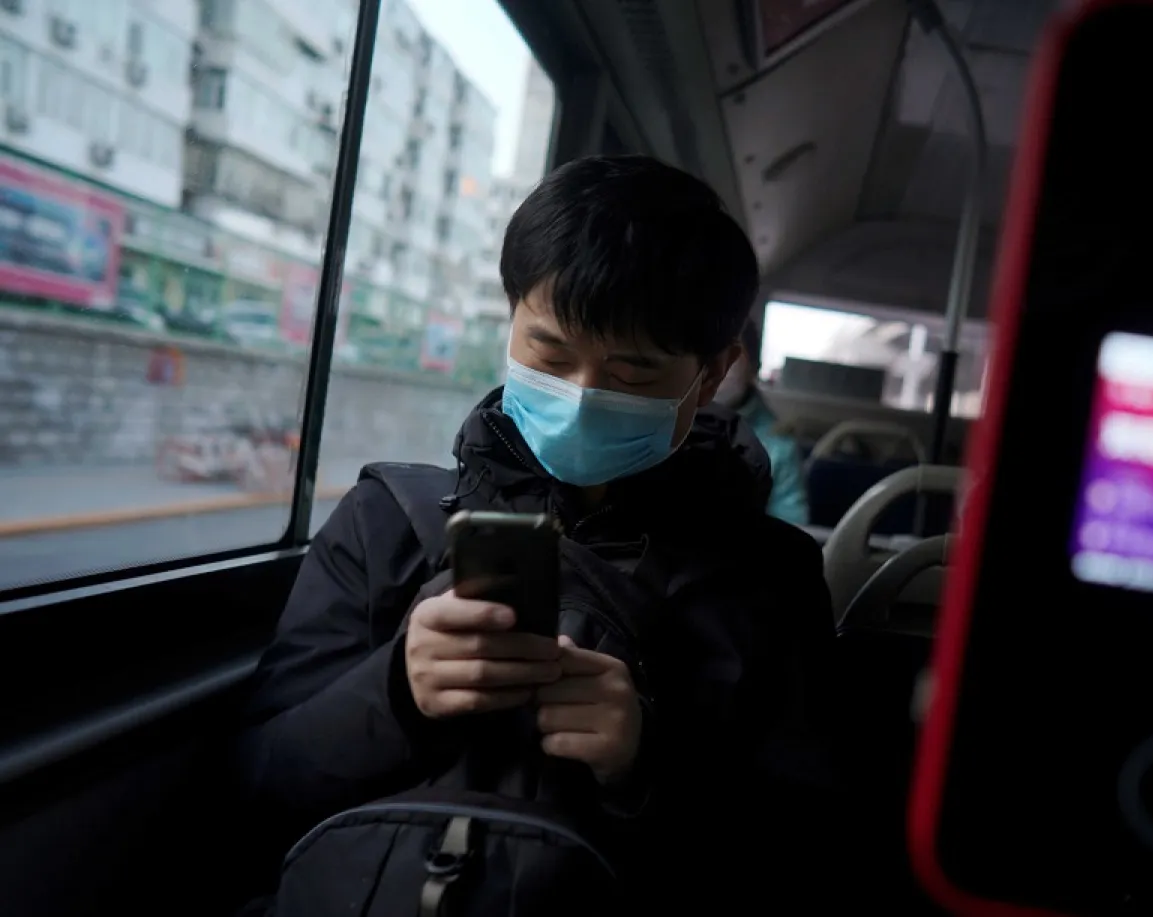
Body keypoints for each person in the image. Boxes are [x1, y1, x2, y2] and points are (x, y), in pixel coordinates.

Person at [234, 155, 843, 912]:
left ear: (712, 372)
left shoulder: (770, 577)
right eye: (549, 354)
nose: (582, 397)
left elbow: (809, 857)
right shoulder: (389, 520)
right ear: (511, 319)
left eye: (632, 375)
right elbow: (253, 787)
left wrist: (644, 766)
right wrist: (396, 692)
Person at [714, 318, 810, 525]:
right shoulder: (662, 420)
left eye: (731, 354)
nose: (715, 366)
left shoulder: (777, 445)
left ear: (753, 367)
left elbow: (790, 527)